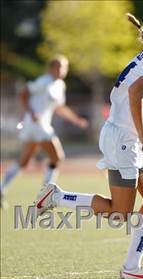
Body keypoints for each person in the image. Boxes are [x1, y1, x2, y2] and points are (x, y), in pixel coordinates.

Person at [33, 11, 143, 279]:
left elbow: (132, 93)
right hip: (124, 139)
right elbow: (134, 92)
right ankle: (55, 196)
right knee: (120, 213)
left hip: (132, 134)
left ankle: (132, 267)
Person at [1, 55, 88, 206]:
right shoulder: (44, 81)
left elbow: (59, 107)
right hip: (36, 124)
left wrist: (76, 120)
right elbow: (24, 93)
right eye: (59, 67)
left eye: (64, 67)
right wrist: (31, 111)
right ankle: (46, 195)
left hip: (38, 126)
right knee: (57, 157)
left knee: (24, 160)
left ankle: (2, 188)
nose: (62, 70)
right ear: (51, 68)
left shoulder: (60, 85)